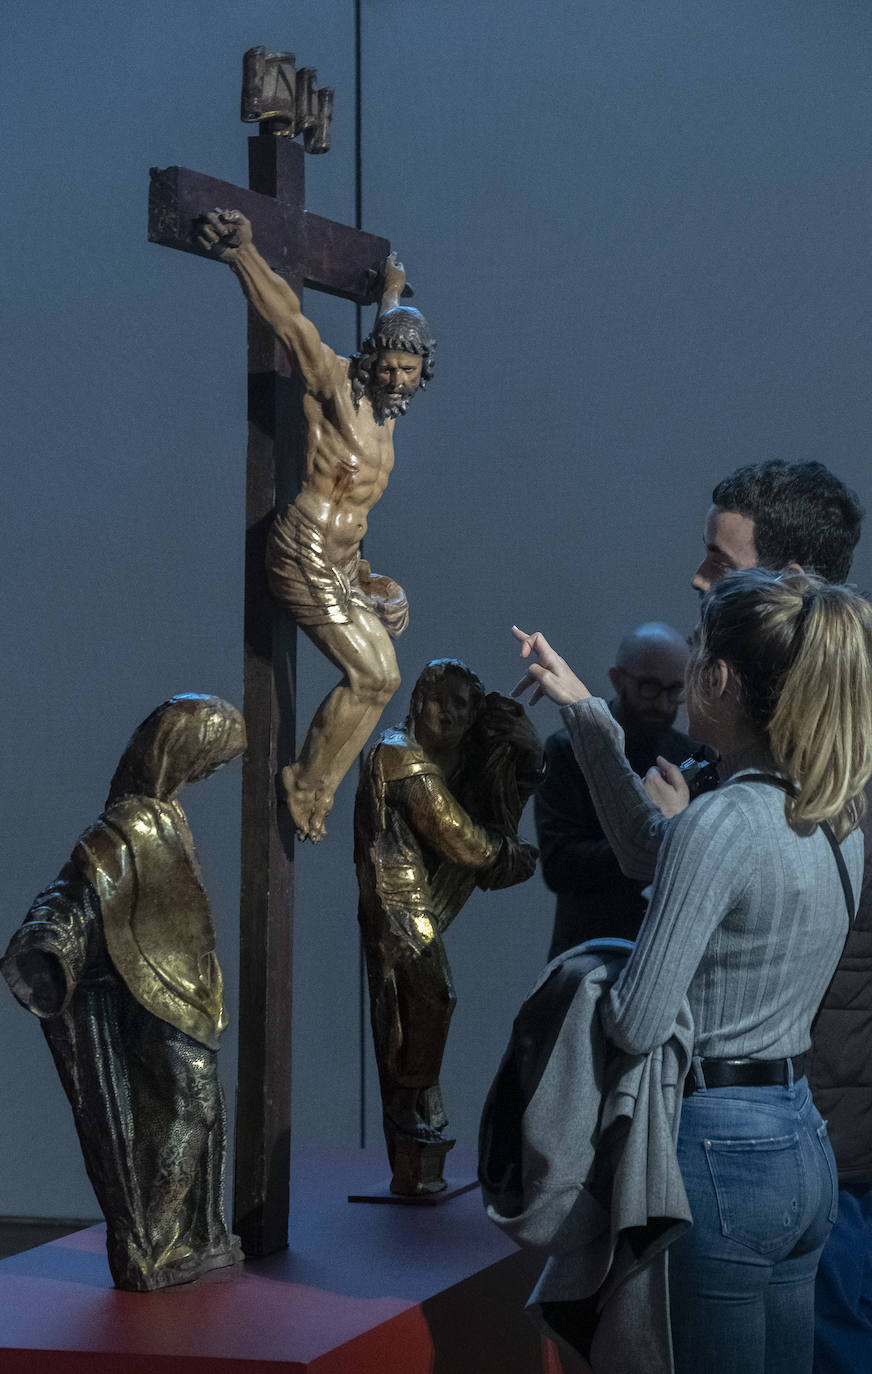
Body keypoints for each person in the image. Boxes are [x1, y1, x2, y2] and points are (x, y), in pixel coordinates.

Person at [512, 567, 872, 1374]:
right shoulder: (830, 811)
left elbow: (640, 1019)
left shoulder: (719, 822)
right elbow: (648, 848)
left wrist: (586, 981)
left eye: (698, 651)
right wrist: (587, 712)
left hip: (717, 1150)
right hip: (801, 1139)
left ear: (716, 681)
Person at [196, 208, 435, 843]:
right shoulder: (337, 386)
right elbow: (288, 322)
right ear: (371, 359)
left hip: (340, 560)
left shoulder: (388, 414)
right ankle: (305, 783)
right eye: (387, 366)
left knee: (385, 676)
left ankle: (315, 783)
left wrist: (388, 292)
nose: (395, 379)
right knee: (370, 674)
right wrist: (243, 253)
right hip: (301, 546)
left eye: (408, 372)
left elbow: (392, 327)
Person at [1, 695, 245, 1291]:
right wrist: (50, 942)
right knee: (189, 1109)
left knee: (199, 1113)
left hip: (183, 994)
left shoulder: (167, 817)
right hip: (150, 996)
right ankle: (152, 1240)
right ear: (177, 752)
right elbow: (74, 894)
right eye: (207, 760)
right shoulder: (121, 830)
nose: (208, 773)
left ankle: (191, 1236)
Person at [354, 659, 541, 1196]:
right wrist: (513, 856)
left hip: (417, 902)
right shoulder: (398, 756)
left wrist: (530, 757)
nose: (453, 714)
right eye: (443, 701)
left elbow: (487, 795)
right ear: (417, 702)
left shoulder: (439, 762)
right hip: (397, 903)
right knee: (431, 998)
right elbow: (458, 834)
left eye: (464, 707)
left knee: (420, 1007)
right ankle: (410, 1106)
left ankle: (416, 1121)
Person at [536, 621, 693, 957]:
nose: (664, 704)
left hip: (657, 952)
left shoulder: (692, 756)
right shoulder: (566, 751)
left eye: (674, 691)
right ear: (618, 680)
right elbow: (559, 865)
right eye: (650, 688)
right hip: (586, 952)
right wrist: (650, 841)